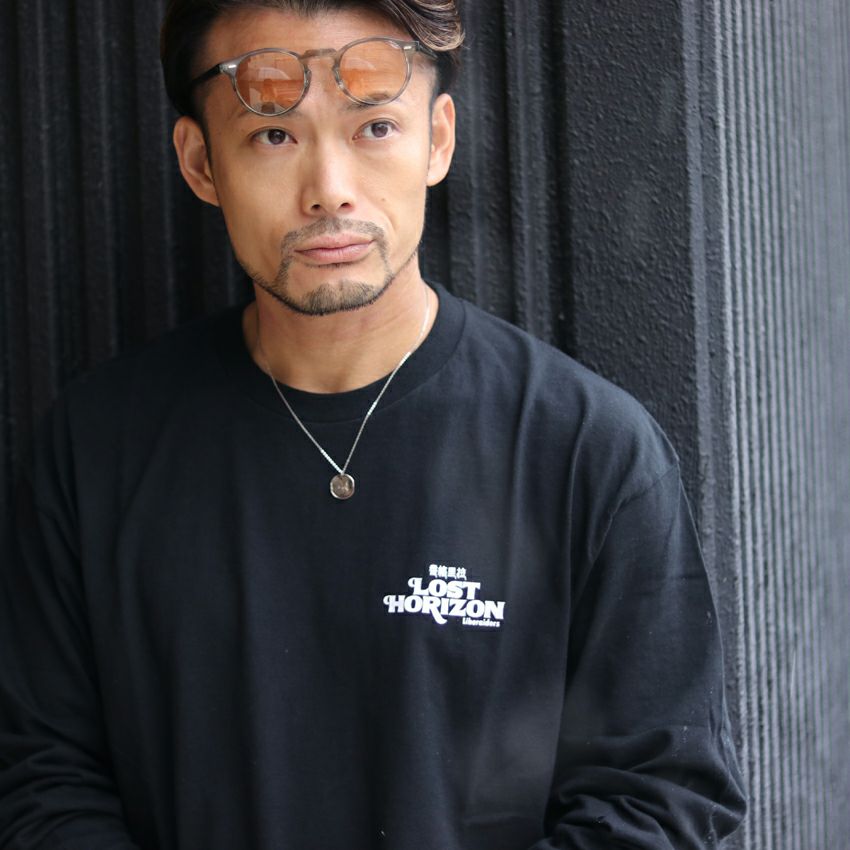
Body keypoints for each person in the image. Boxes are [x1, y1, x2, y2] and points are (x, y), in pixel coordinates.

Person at [0, 0, 747, 848]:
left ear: (438, 139)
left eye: (375, 126)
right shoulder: (95, 452)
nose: (329, 188)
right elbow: (40, 779)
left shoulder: (586, 451)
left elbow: (656, 797)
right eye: (273, 134)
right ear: (201, 162)